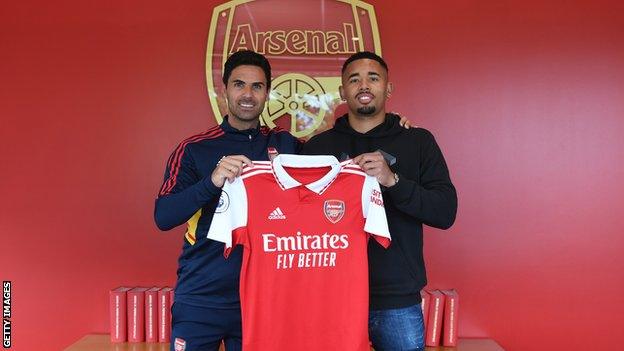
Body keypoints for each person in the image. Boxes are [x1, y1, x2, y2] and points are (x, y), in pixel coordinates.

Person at [301, 51, 458, 351]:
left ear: (388, 88)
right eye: (354, 79)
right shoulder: (318, 147)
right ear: (342, 90)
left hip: (397, 300)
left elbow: (445, 211)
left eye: (373, 78)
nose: (364, 85)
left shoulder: (418, 141)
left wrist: (392, 181)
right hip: (332, 298)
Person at [154, 50, 299, 351]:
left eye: (257, 86)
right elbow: (163, 216)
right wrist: (212, 181)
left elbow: (339, 157)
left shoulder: (285, 144)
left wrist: (392, 124)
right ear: (224, 90)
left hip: (260, 300)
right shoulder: (195, 149)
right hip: (200, 297)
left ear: (267, 92)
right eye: (239, 84)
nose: (248, 94)